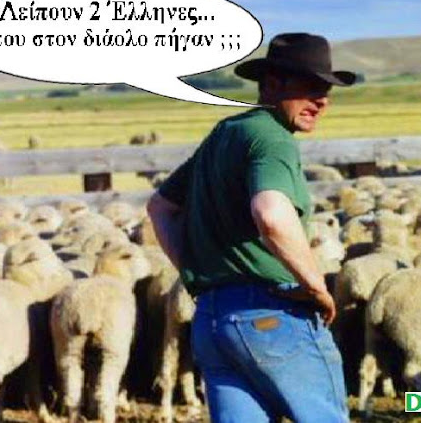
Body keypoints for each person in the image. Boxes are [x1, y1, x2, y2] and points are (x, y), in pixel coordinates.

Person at [147, 33, 356, 423]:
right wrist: (315, 286)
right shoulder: (273, 138)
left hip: (212, 321)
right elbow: (271, 214)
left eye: (326, 90)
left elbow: (160, 207)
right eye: (310, 87)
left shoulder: (228, 132)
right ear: (272, 84)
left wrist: (199, 273)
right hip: (271, 315)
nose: (322, 100)